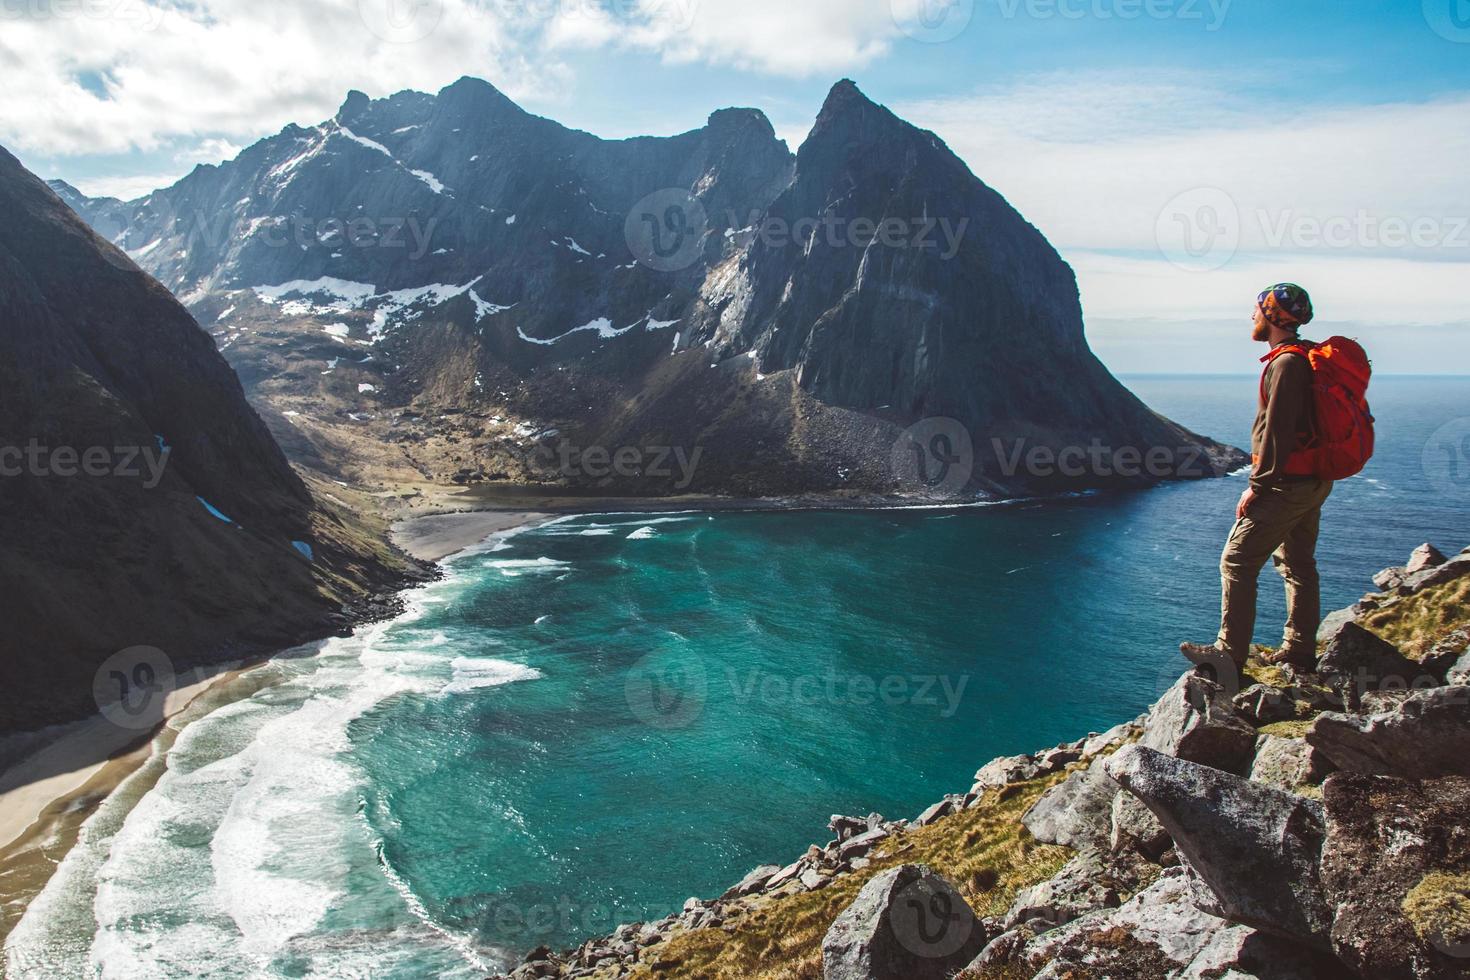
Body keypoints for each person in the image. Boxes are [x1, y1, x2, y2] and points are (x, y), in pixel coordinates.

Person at [1180, 283, 1332, 687]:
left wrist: (1257, 486)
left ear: (1272, 316)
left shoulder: (1286, 365)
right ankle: (1300, 652)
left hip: (1286, 485)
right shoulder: (1301, 358)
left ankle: (1228, 658)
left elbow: (1277, 434)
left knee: (1236, 561)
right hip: (1311, 480)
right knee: (1298, 564)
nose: (1252, 316)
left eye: (1257, 310)